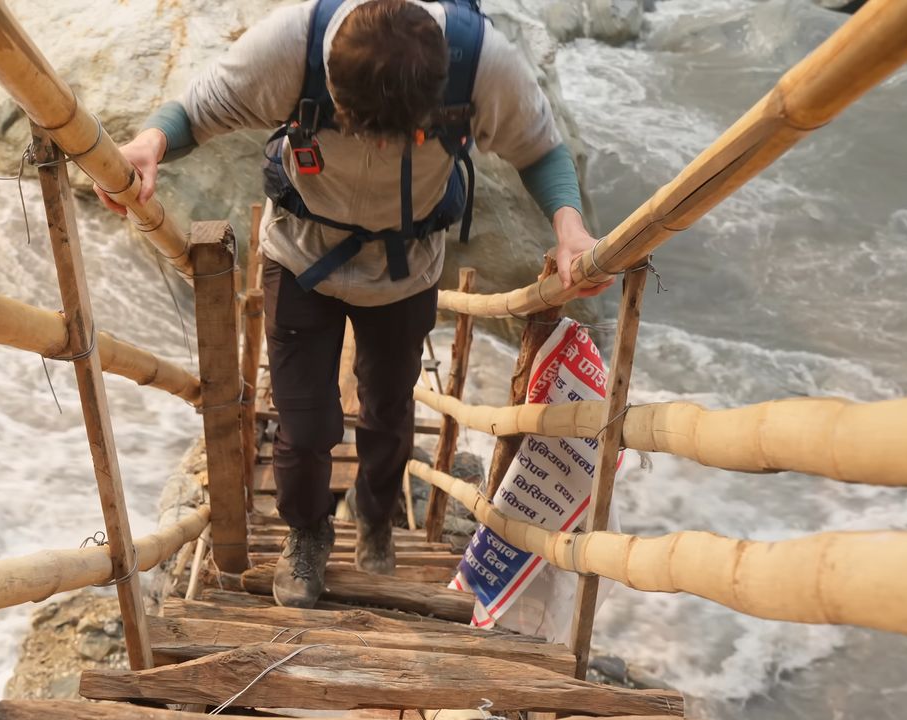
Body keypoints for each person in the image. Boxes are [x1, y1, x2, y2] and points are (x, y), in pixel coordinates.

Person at [99, 0, 607, 607]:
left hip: (408, 268)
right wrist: (149, 143)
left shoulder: (481, 64)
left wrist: (570, 228)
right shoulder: (293, 42)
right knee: (304, 423)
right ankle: (307, 535)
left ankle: (374, 519)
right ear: (329, 80)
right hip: (300, 254)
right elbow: (197, 109)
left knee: (388, 410)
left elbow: (540, 148)